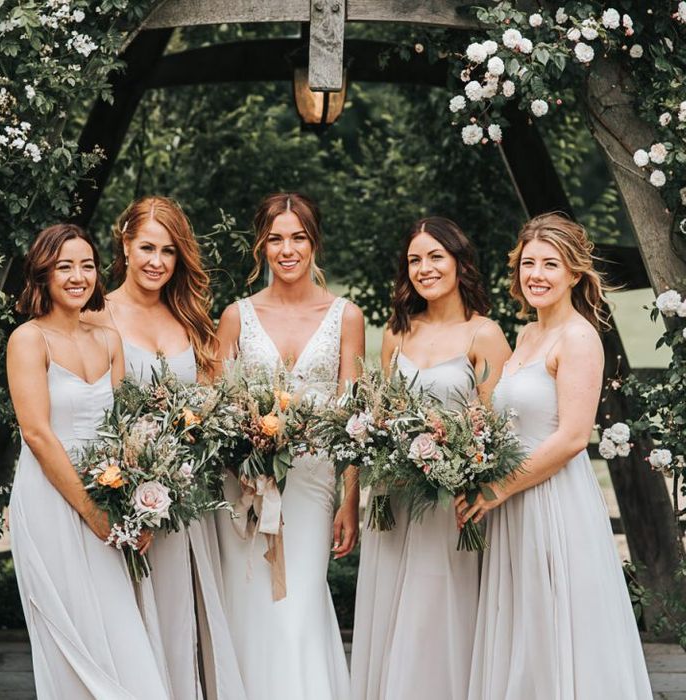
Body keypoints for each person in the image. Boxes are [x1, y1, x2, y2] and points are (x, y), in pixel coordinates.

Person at [456, 213, 653, 699]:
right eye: (528, 263)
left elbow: (571, 438)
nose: (537, 274)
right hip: (510, 501)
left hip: (551, 502)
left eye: (550, 264)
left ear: (574, 273)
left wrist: (497, 487)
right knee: (522, 621)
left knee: (554, 619)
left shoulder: (580, 337)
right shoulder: (524, 336)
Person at [85, 195, 246, 700]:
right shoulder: (97, 316)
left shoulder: (191, 320)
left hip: (185, 497)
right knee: (129, 621)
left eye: (169, 251)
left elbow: (211, 406)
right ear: (125, 245)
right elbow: (94, 419)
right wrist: (128, 492)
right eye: (147, 247)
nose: (157, 261)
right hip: (123, 496)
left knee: (181, 617)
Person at [350, 217, 511, 700]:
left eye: (435, 257)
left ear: (460, 264)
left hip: (449, 501)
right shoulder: (397, 334)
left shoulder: (485, 335)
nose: (424, 268)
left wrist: (463, 469)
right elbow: (379, 412)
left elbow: (496, 429)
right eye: (415, 259)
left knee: (437, 608)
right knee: (393, 607)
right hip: (394, 499)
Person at [7, 223, 169, 699]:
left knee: (120, 628)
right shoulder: (27, 340)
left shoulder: (107, 339)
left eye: (87, 265)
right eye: (64, 267)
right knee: (71, 632)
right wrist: (92, 513)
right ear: (42, 275)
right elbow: (37, 434)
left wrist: (141, 506)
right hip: (51, 500)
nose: (78, 276)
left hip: (109, 492)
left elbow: (126, 433)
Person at [214, 192, 364, 700]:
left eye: (298, 237)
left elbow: (353, 416)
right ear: (261, 245)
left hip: (314, 483)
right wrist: (245, 450)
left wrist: (350, 498)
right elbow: (215, 407)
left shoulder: (347, 317)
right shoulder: (236, 316)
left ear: (314, 242)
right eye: (275, 238)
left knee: (298, 610)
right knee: (251, 606)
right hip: (247, 486)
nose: (287, 249)